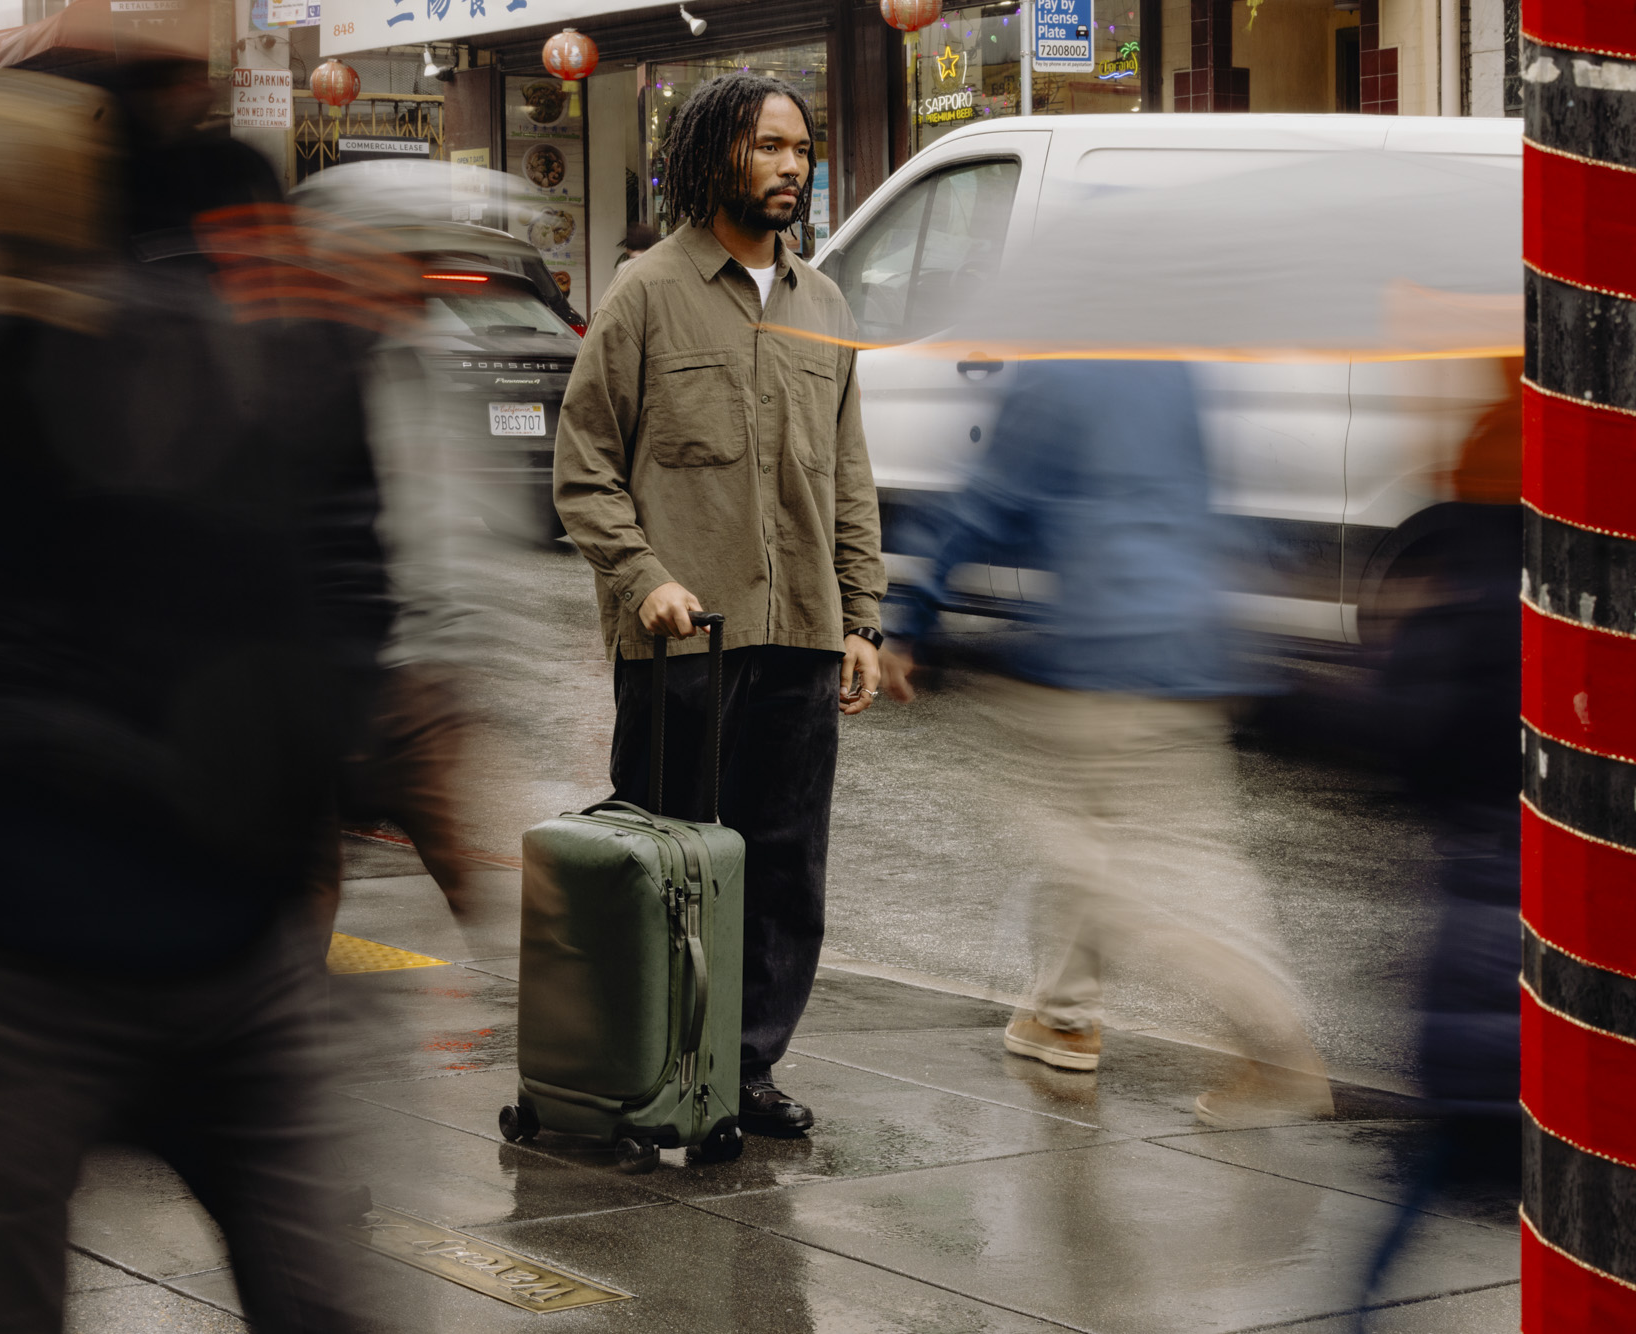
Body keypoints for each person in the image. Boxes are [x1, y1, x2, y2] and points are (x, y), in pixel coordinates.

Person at [0, 55, 401, 1333]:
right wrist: (148, 768)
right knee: (21, 1282)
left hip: (216, 944)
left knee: (307, 1285)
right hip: (40, 955)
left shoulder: (182, 333)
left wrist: (317, 745)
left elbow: (320, 554)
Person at [553, 71, 886, 1138]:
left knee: (783, 869)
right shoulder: (645, 294)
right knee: (671, 870)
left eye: (801, 148)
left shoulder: (823, 306)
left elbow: (846, 476)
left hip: (797, 633)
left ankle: (739, 1073)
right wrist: (642, 577)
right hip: (681, 642)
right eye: (767, 147)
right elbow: (583, 465)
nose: (790, 166)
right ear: (712, 157)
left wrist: (861, 618)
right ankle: (646, 1068)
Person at [880, 359, 1334, 1128]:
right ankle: (1063, 1017)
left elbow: (991, 499)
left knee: (1101, 864)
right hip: (1189, 644)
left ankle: (1278, 1046)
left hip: (1100, 648)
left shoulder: (1058, 367)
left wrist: (913, 616)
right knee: (1113, 836)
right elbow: (1212, 498)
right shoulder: (1175, 366)